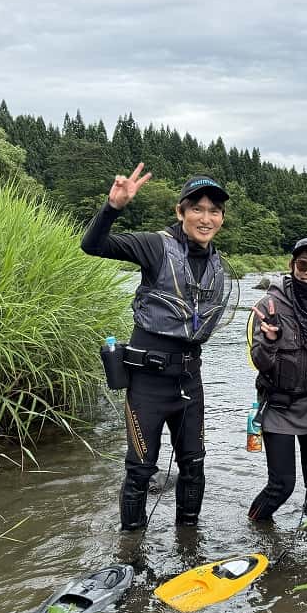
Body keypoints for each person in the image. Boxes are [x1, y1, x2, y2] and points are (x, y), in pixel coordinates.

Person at [81, 164, 232, 530]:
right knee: (141, 469)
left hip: (188, 381)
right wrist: (113, 207)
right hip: (147, 383)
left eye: (214, 210)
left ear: (221, 219)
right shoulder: (154, 246)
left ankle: (188, 542)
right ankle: (130, 549)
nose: (206, 217)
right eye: (197, 208)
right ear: (180, 212)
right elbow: (93, 245)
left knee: (194, 464)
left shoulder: (218, 265)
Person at [247, 236, 307, 521]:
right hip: (278, 406)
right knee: (281, 485)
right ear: (292, 266)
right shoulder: (267, 306)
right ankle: (255, 529)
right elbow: (259, 362)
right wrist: (271, 339)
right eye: (304, 264)